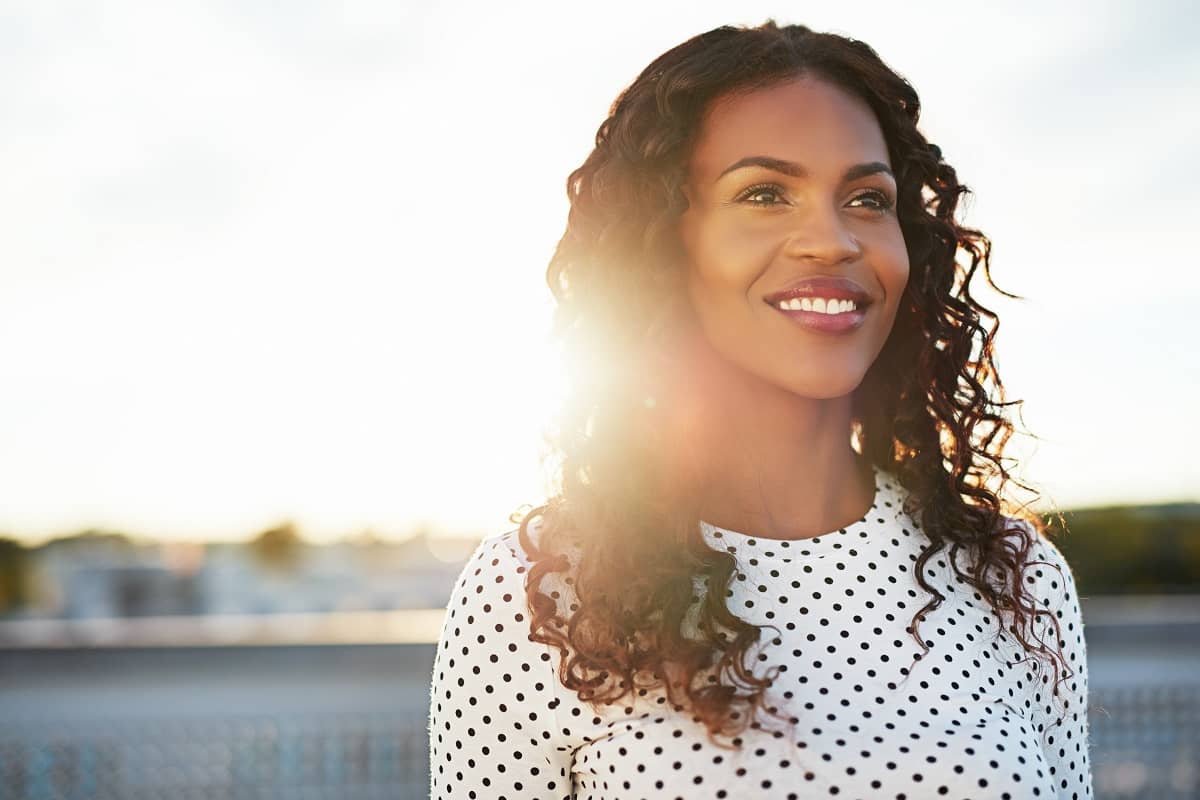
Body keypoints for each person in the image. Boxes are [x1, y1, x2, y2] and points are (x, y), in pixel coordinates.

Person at [429, 20, 1093, 800]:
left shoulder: (1014, 575)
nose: (832, 240)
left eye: (867, 198)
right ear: (665, 243)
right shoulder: (537, 589)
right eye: (765, 193)